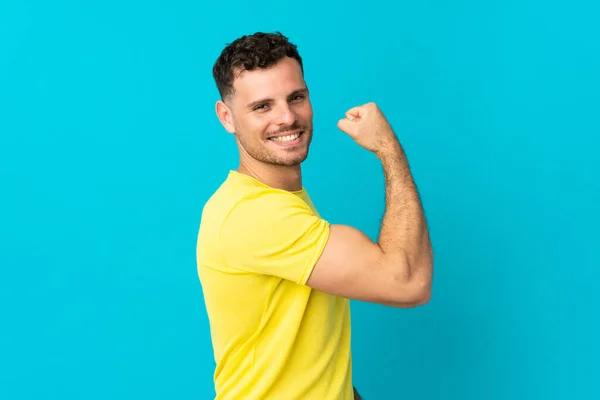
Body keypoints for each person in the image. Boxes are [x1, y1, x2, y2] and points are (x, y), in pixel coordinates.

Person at [196, 31, 433, 400]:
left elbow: (304, 346)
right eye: (262, 107)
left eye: (296, 97)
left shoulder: (279, 201)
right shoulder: (255, 215)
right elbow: (409, 283)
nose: (287, 117)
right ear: (226, 117)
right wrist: (388, 149)